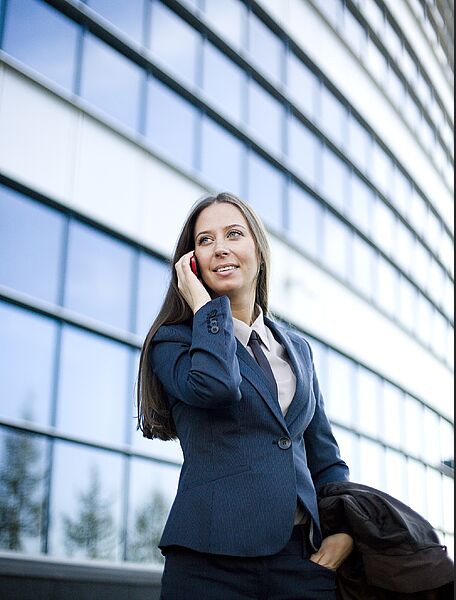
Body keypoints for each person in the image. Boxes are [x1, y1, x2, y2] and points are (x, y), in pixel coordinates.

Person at [137, 192, 354, 599]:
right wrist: (205, 309)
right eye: (205, 240)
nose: (220, 248)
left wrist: (342, 530)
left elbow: (325, 457)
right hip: (209, 563)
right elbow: (216, 385)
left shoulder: (298, 350)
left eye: (233, 234)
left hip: (302, 562)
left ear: (258, 248)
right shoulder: (173, 342)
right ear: (191, 262)